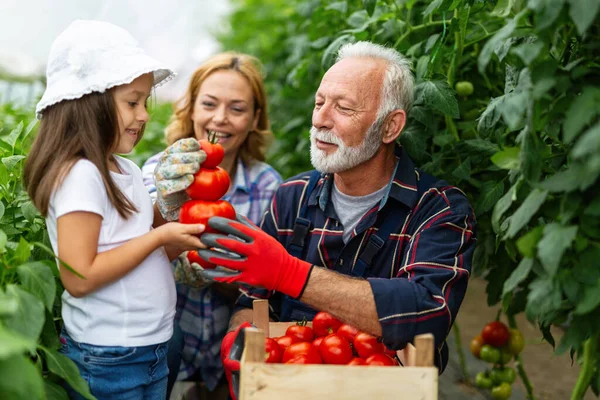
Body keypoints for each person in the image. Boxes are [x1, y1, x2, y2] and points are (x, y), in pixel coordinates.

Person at [196, 41, 477, 399]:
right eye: (319, 103)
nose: (320, 119)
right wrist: (243, 336)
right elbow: (252, 302)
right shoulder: (292, 196)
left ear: (390, 127)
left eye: (343, 107)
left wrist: (290, 273)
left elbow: (427, 311)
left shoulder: (439, 209)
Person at [23, 20, 208, 399]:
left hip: (148, 349)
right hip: (109, 358)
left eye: (144, 102)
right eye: (132, 102)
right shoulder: (80, 176)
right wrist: (160, 235)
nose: (144, 115)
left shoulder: (126, 169)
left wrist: (177, 205)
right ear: (89, 102)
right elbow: (80, 276)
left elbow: (155, 244)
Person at [141, 52, 282, 398]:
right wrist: (167, 209)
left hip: (229, 351)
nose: (220, 119)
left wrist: (226, 273)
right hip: (166, 346)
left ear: (254, 118)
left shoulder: (268, 187)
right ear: (190, 107)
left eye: (237, 108)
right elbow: (138, 255)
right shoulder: (161, 172)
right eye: (209, 104)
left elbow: (271, 288)